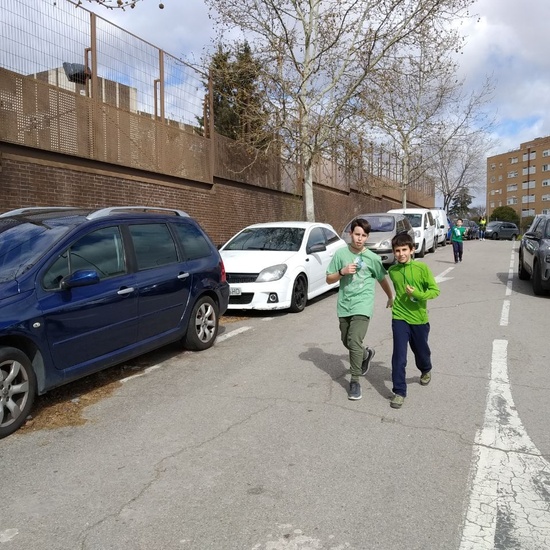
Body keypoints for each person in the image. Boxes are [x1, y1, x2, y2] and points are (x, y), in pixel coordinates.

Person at [326, 218, 394, 401]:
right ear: (351, 234)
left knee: (354, 340)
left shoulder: (372, 258)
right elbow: (329, 279)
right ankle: (366, 354)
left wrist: (390, 297)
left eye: (364, 236)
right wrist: (342, 272)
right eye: (357, 234)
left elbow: (382, 279)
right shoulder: (340, 254)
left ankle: (354, 380)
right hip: (344, 305)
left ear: (367, 237)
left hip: (363, 305)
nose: (360, 239)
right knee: (347, 341)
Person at [387, 233, 440, 409]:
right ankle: (399, 391)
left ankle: (425, 369)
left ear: (412, 250)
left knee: (421, 351)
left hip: (419, 319)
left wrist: (417, 294)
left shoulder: (422, 269)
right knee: (399, 356)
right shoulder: (393, 271)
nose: (401, 254)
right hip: (399, 316)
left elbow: (435, 291)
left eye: (404, 250)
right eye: (397, 251)